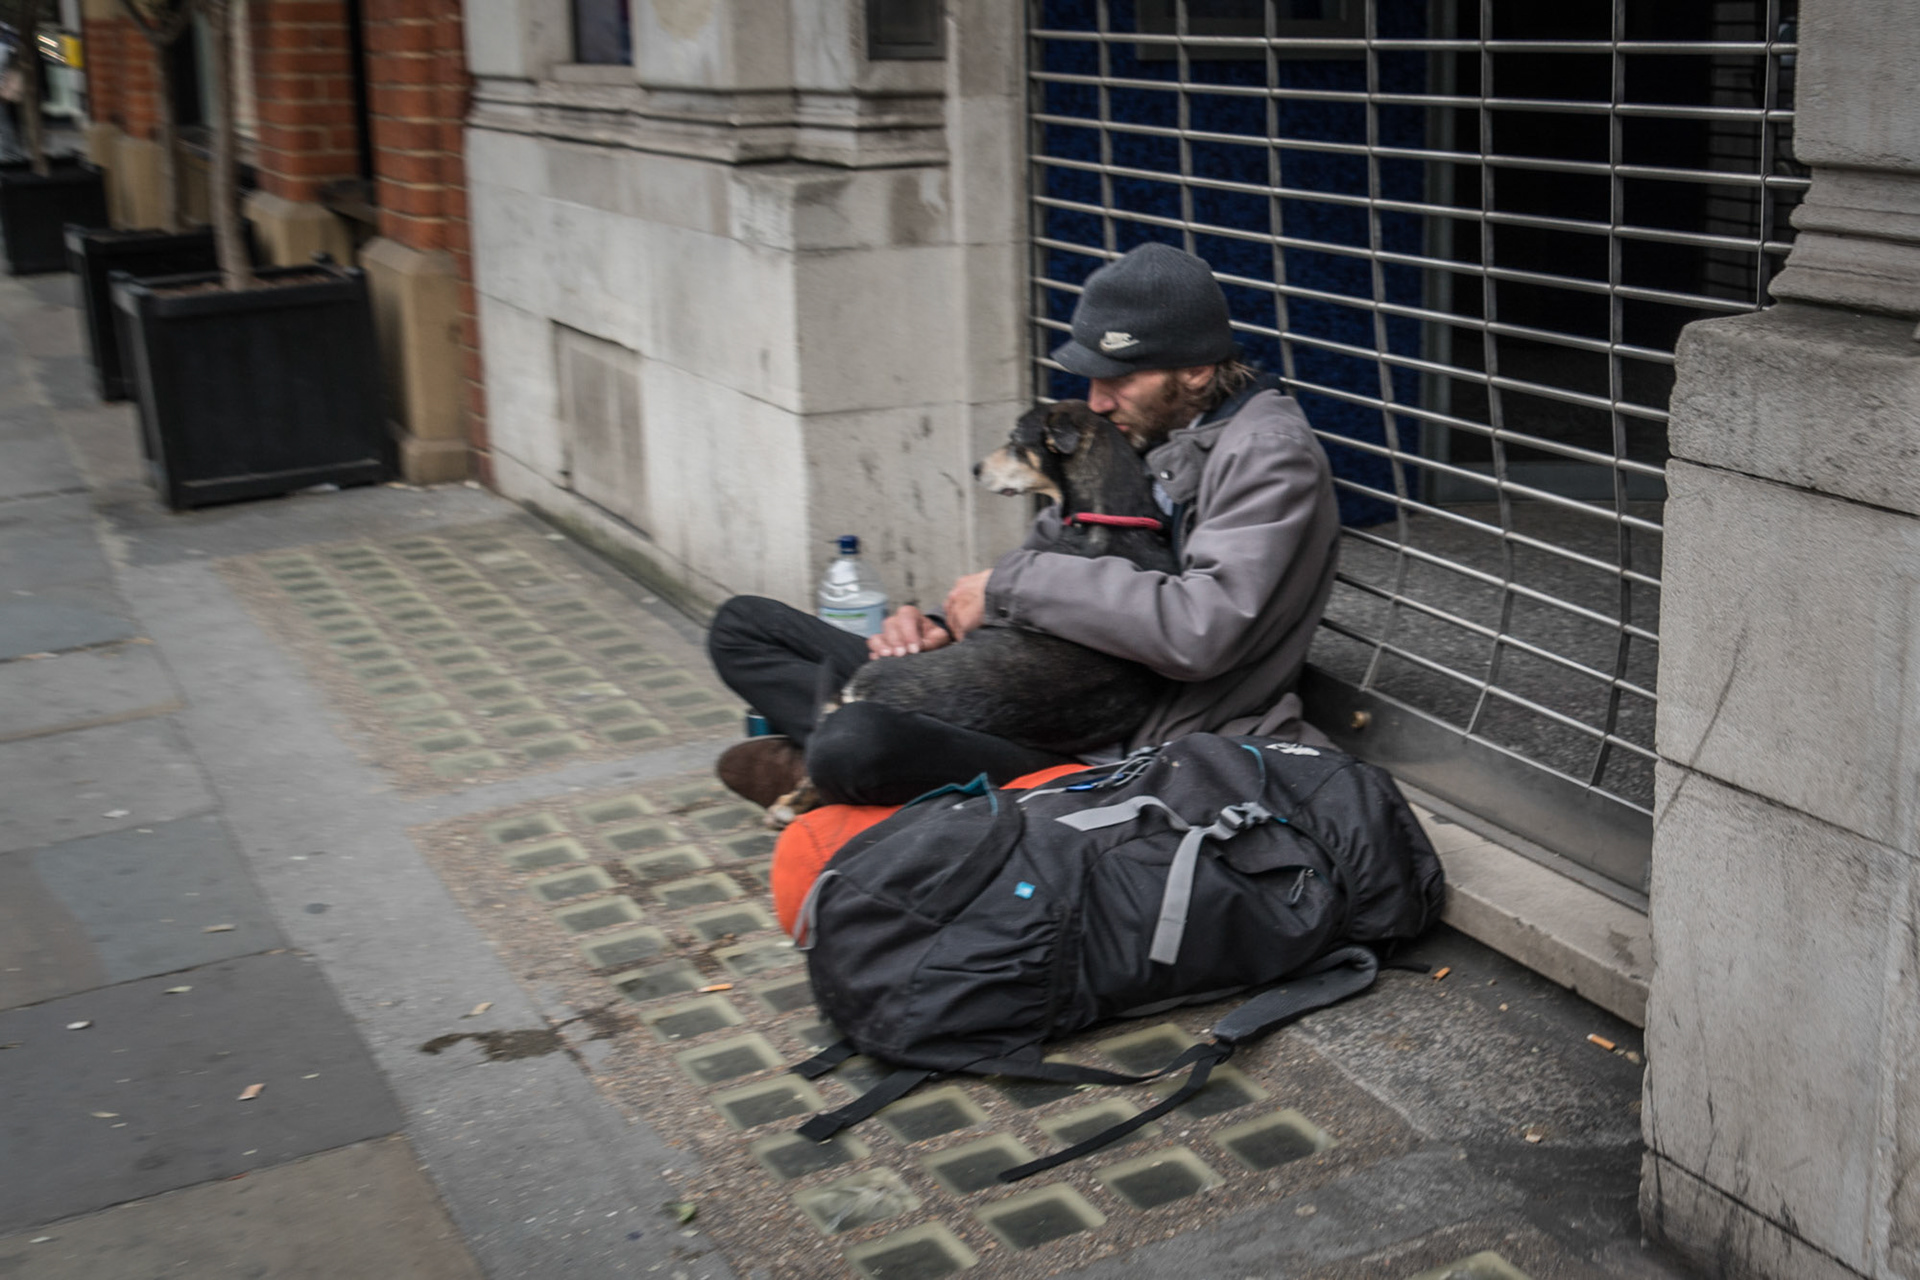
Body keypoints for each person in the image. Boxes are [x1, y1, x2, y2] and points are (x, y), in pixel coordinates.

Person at [707, 241, 1340, 809]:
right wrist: (937, 625)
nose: (1096, 401)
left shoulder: (1269, 456)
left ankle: (824, 762)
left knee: (859, 739)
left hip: (1117, 744)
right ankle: (830, 764)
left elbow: (1201, 629)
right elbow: (1044, 561)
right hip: (1023, 683)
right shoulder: (1148, 430)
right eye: (1092, 378)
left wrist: (1007, 587)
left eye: (1120, 378)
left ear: (1196, 370)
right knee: (743, 627)